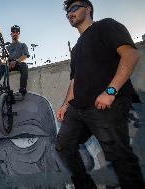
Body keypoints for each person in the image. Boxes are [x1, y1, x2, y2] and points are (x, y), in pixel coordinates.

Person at [55, 0, 145, 188]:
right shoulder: (77, 47)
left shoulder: (106, 26)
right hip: (78, 107)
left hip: (106, 104)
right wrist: (65, 104)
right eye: (67, 12)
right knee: (63, 146)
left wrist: (110, 91)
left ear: (88, 9)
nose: (69, 14)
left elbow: (130, 55)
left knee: (120, 157)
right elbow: (74, 80)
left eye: (74, 8)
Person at [0, 25, 30, 96]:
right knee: (1, 66)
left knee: (24, 66)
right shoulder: (7, 47)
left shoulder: (23, 45)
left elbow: (25, 56)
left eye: (17, 32)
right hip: (8, 64)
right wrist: (7, 63)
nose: (15, 33)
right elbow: (2, 59)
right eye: (13, 32)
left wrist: (16, 61)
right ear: (11, 34)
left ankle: (22, 90)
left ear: (19, 34)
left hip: (18, 63)